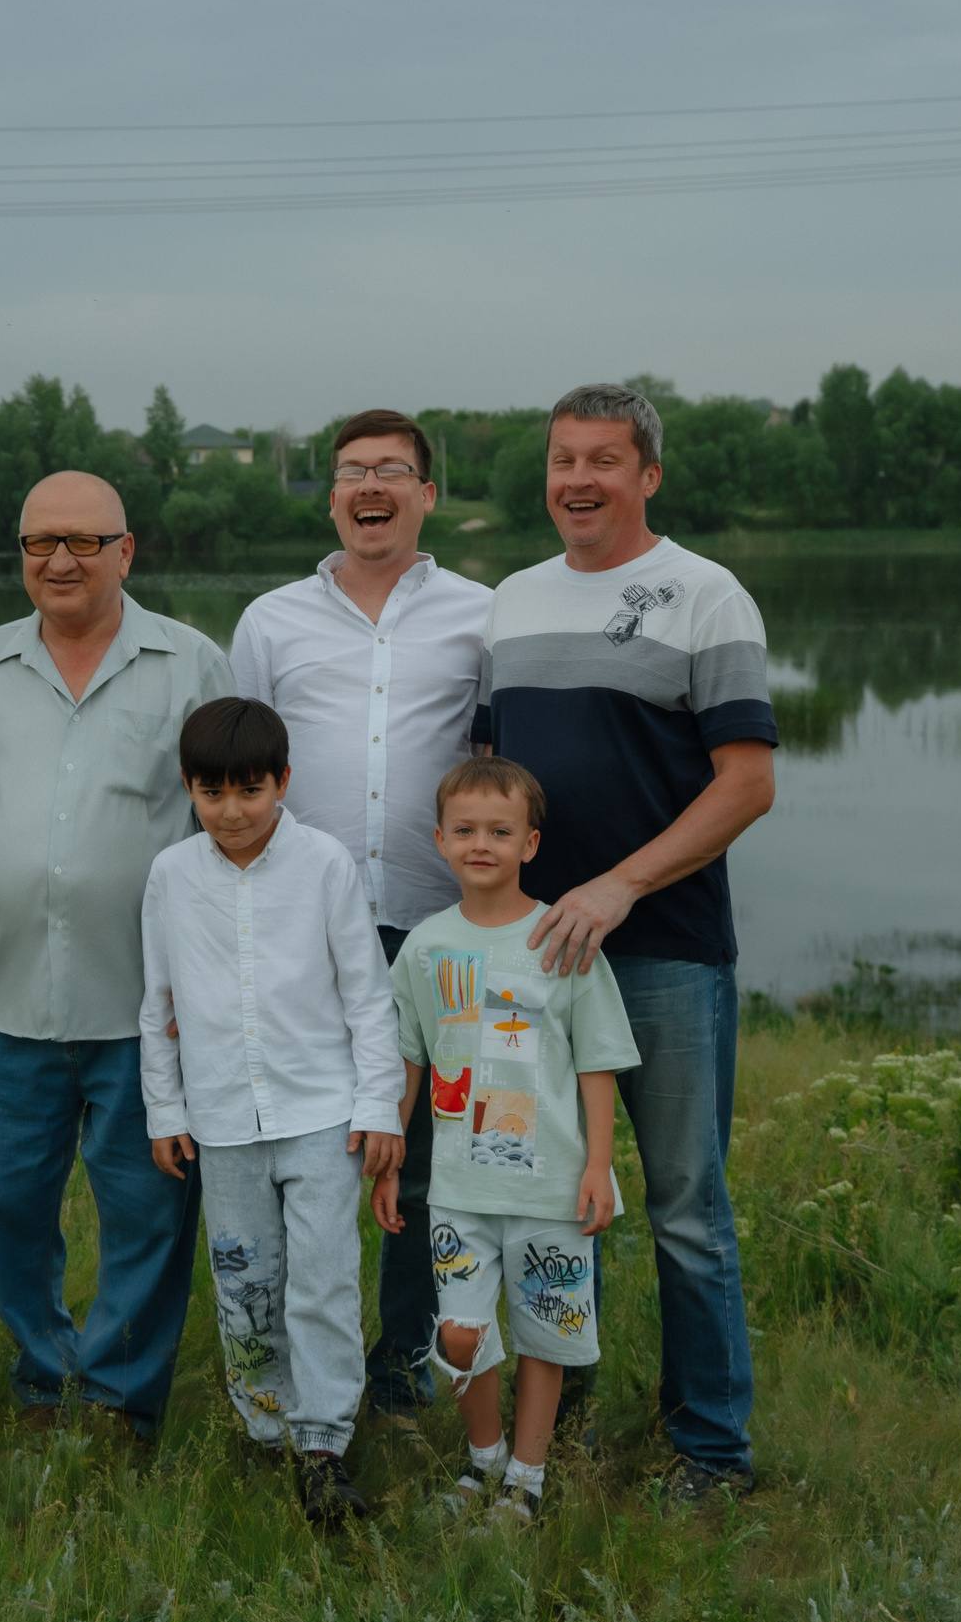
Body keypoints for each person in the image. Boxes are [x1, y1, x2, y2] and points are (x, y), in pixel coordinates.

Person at [479, 383, 778, 1504]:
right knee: (558, 1196)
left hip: (666, 954)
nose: (579, 481)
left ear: (648, 475)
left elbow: (745, 783)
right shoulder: (507, 603)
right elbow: (489, 781)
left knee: (686, 1207)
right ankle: (568, 1411)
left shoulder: (707, 595)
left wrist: (619, 884)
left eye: (604, 460)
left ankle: (711, 1451)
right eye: (563, 459)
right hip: (535, 962)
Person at [0, 470, 235, 1439]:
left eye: (82, 542)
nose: (58, 560)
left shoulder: (191, 665)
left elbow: (236, 831)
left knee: (149, 1217)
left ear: (124, 552)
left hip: (149, 1013)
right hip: (5, 1004)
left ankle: (122, 1400)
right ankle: (47, 1371)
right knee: (3, 1208)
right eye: (39, 542)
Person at [228, 406, 490, 1430]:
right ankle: (294, 1366)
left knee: (422, 1168)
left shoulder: (481, 614)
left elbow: (496, 768)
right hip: (305, 932)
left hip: (434, 928)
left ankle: (401, 1364)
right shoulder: (270, 620)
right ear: (330, 495)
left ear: (426, 493)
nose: (368, 487)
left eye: (391, 470)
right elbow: (235, 780)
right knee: (309, 1155)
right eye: (349, 472)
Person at [138, 698, 404, 1522]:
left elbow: (367, 997)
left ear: (283, 781)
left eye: (251, 790)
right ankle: (266, 1428)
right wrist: (164, 1109)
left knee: (321, 1277)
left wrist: (380, 1105)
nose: (232, 811)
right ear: (189, 789)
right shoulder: (171, 876)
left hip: (323, 1111)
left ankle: (323, 1444)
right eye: (211, 793)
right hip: (221, 1119)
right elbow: (157, 1003)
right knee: (246, 1277)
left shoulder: (324, 864)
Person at [377, 757, 639, 1523]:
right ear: (438, 839)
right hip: (459, 1187)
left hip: (550, 1186)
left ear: (530, 841)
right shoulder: (424, 948)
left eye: (499, 830)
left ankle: (526, 1477)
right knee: (459, 1332)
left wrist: (598, 1163)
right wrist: (390, 1155)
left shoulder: (560, 936)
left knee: (546, 1335)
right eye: (464, 829)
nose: (480, 843)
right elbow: (408, 1063)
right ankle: (481, 1459)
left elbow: (597, 1061)